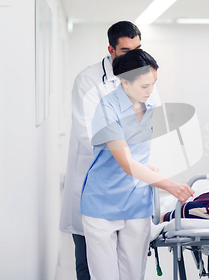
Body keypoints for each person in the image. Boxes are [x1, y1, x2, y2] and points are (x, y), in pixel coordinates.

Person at [80, 49, 194, 280]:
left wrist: (147, 167)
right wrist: (170, 186)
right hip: (103, 204)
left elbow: (136, 150)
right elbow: (127, 163)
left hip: (136, 203)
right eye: (144, 86)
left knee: (134, 275)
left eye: (153, 84)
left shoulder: (149, 104)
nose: (151, 91)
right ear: (125, 81)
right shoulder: (107, 109)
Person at [59, 21, 143, 280]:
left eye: (138, 48)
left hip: (128, 189)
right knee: (88, 266)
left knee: (126, 264)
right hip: (94, 185)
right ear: (111, 49)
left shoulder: (143, 75)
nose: (135, 56)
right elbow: (90, 133)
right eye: (127, 51)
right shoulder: (88, 80)